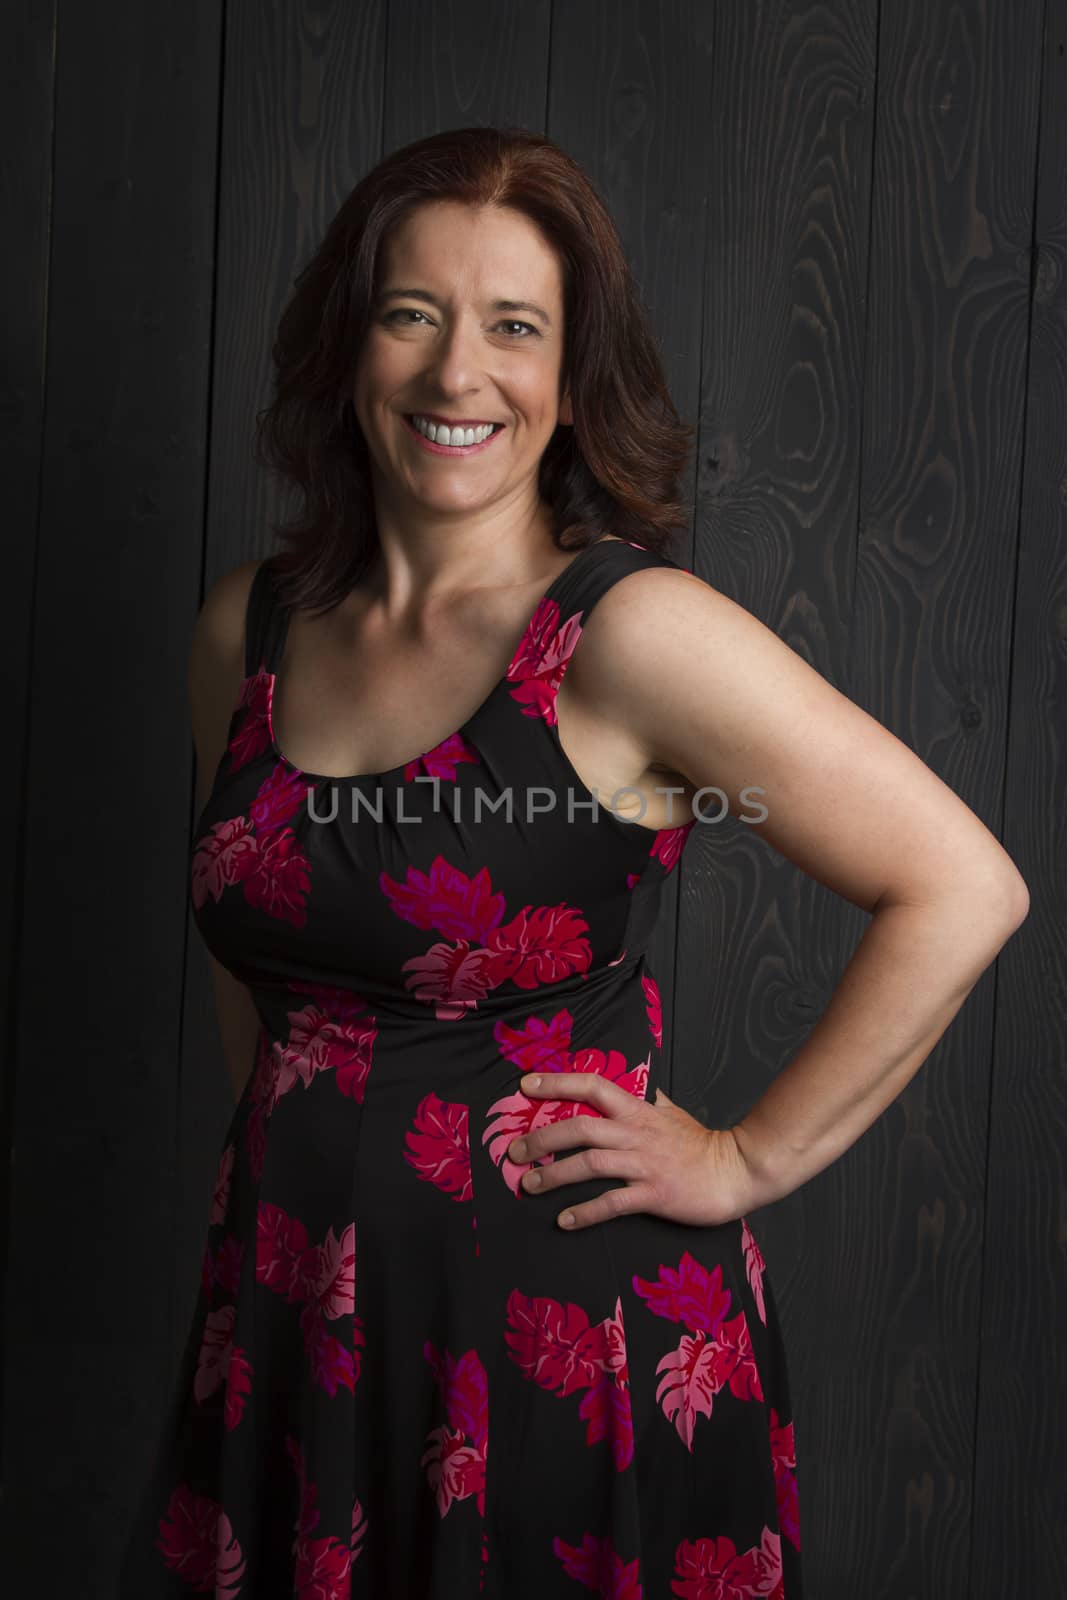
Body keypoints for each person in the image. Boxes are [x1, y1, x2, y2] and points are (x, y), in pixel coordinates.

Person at [119, 126, 1028, 1598]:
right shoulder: (250, 632)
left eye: (514, 327)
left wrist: (746, 1158)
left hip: (556, 1341)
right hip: (296, 1324)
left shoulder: (626, 637)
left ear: (569, 372)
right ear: (351, 345)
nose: (455, 373)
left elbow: (963, 883)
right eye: (412, 313)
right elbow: (267, 986)